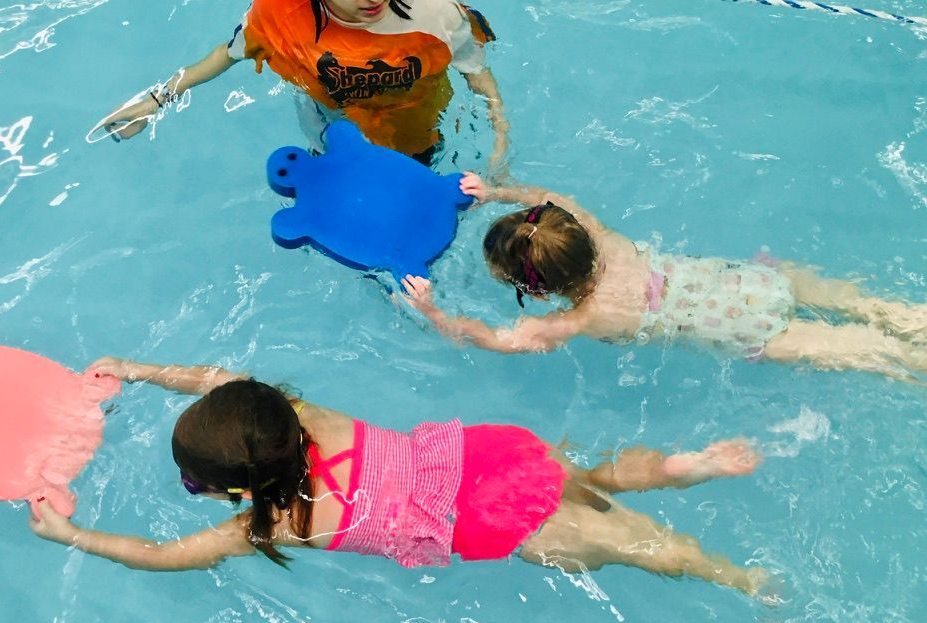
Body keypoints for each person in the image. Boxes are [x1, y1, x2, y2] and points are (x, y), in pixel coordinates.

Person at [30, 357, 770, 597]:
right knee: (587, 480)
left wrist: (69, 533)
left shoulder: (278, 523)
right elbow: (215, 378)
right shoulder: (302, 413)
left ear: (241, 491)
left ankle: (742, 581)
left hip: (488, 523)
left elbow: (161, 556)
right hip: (490, 456)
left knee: (638, 548)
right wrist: (136, 369)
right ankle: (680, 466)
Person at [403, 174, 927, 382]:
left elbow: (496, 340)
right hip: (745, 283)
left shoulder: (581, 318)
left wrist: (431, 311)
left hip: (747, 333)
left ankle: (912, 355)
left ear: (536, 290)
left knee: (865, 351)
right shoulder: (604, 237)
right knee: (860, 305)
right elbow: (547, 196)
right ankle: (908, 317)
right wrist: (495, 192)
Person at [96, 0, 508, 167]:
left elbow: (477, 74)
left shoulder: (436, 13)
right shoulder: (279, 15)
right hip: (330, 127)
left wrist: (499, 142)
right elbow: (227, 53)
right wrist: (158, 98)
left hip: (416, 131)